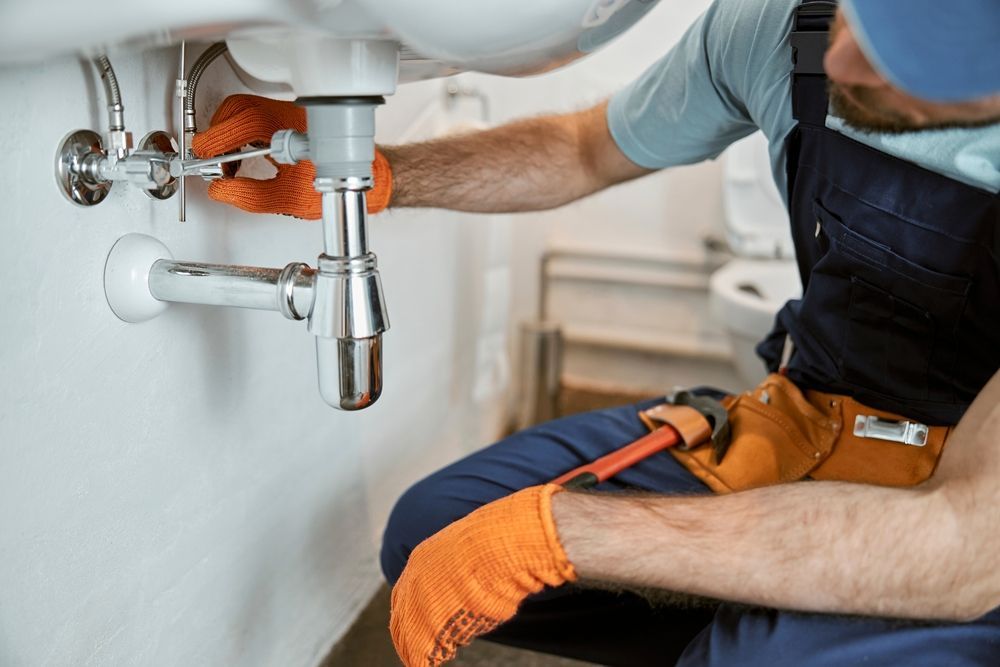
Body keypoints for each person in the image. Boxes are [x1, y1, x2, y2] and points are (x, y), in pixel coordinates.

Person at [193, 0, 1000, 664]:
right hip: (808, 424)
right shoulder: (788, 27)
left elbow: (962, 544)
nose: (844, 61)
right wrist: (386, 174)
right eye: (863, 16)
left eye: (906, 61)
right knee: (432, 533)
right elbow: (586, 148)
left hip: (962, 522)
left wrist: (559, 532)